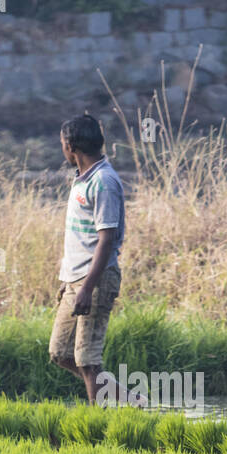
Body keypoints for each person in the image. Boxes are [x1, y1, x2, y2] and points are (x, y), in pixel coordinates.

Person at [48, 114, 143, 406]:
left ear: (71, 147)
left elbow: (106, 239)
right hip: (75, 280)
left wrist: (88, 288)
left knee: (87, 360)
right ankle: (129, 401)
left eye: (63, 144)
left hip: (96, 279)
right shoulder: (82, 178)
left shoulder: (103, 182)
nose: (62, 149)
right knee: (60, 353)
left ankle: (97, 427)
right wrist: (68, 282)